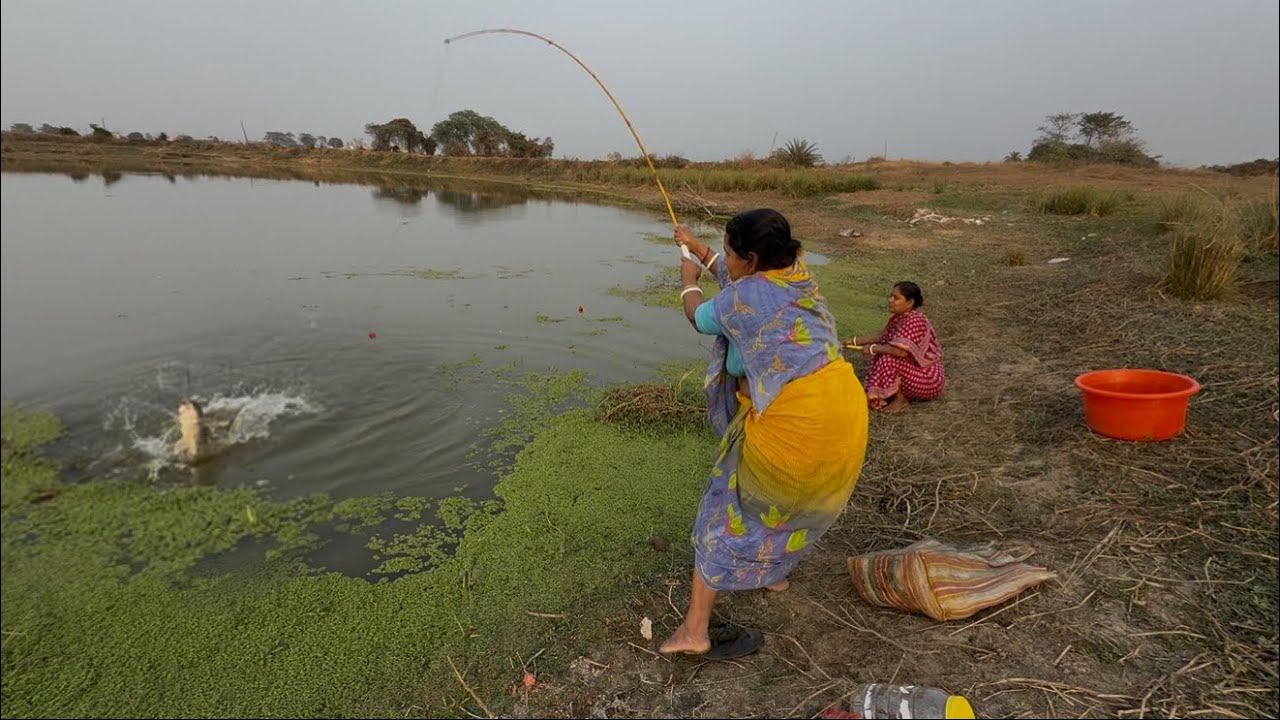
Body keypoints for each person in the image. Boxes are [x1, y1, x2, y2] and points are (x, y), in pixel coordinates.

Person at [661, 209, 869, 659]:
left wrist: (687, 276)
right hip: (843, 407)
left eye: (730, 252)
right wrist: (698, 246)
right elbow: (736, 281)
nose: (727, 259)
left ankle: (695, 630)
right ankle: (773, 573)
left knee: (725, 509)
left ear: (751, 259)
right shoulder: (793, 274)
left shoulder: (747, 296)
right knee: (788, 504)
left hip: (798, 424)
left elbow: (699, 316)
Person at [846, 281, 945, 413]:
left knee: (888, 359)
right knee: (882, 353)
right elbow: (882, 336)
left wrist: (872, 349)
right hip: (915, 372)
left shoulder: (914, 321)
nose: (890, 300)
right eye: (891, 296)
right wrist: (853, 341)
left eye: (896, 298)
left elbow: (900, 352)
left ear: (910, 303)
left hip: (928, 380)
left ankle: (901, 399)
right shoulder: (900, 318)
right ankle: (889, 393)